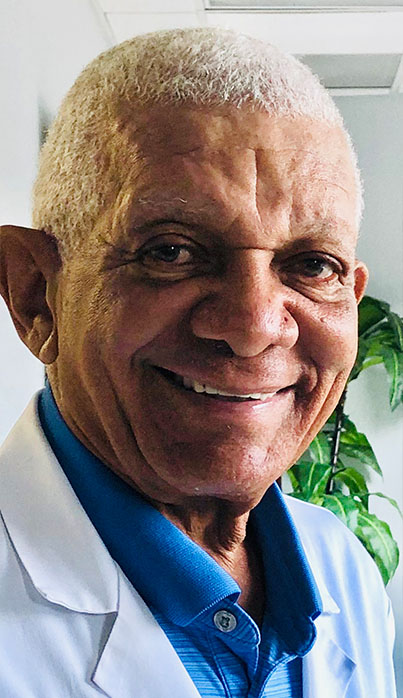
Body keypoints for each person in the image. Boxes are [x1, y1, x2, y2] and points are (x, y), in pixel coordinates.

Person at [0, 27, 396, 698]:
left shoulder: (343, 568)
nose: (252, 328)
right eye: (171, 252)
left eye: (310, 265)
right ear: (38, 295)